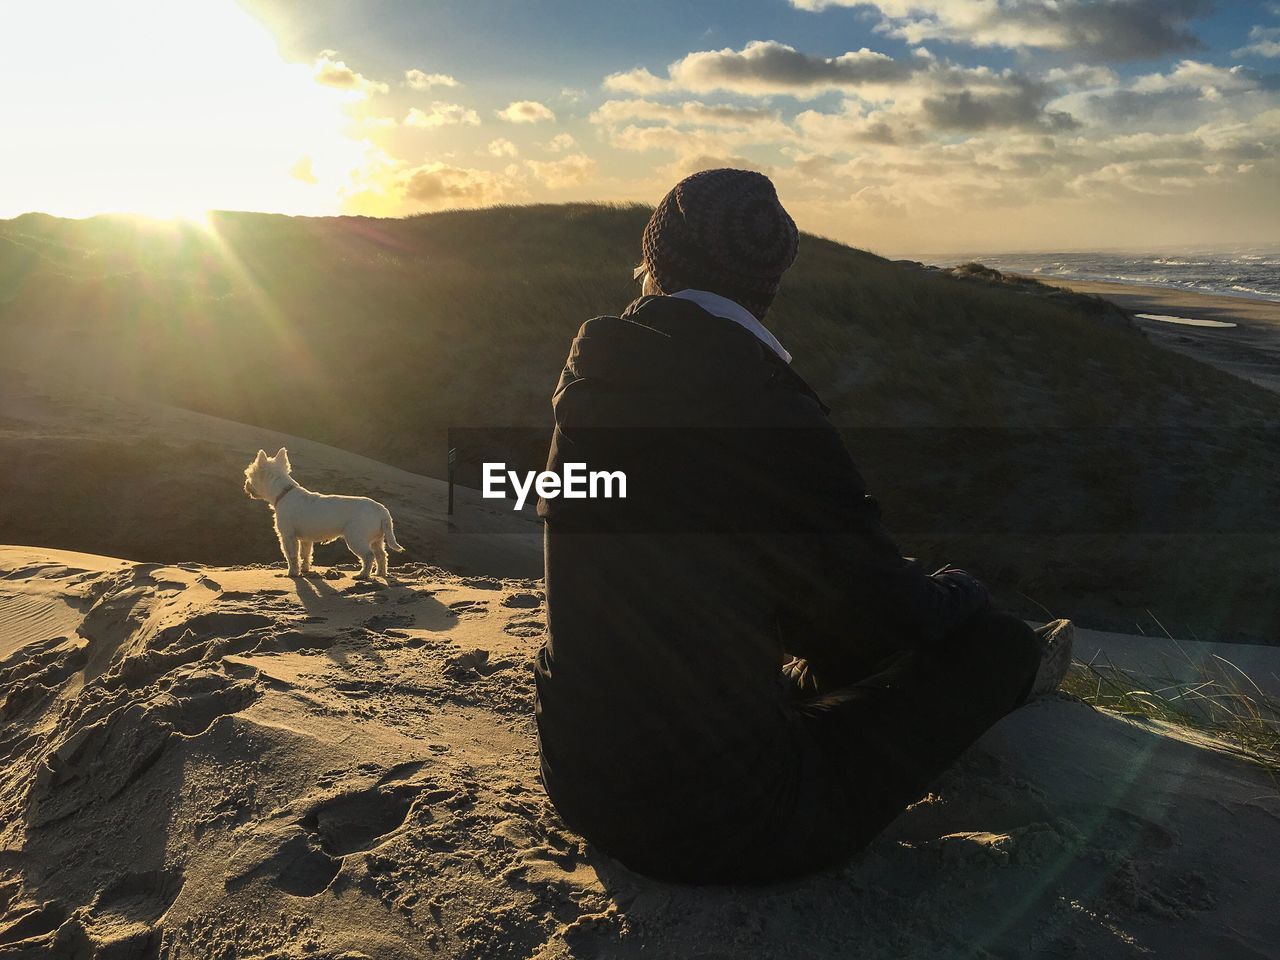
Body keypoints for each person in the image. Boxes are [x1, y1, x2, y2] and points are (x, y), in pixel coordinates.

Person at [533, 168, 1072, 885]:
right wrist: (960, 586)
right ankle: (1025, 672)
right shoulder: (762, 401)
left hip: (579, 779)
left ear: (653, 260)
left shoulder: (596, 378)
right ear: (777, 268)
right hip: (723, 822)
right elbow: (881, 617)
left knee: (823, 639)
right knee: (996, 644)